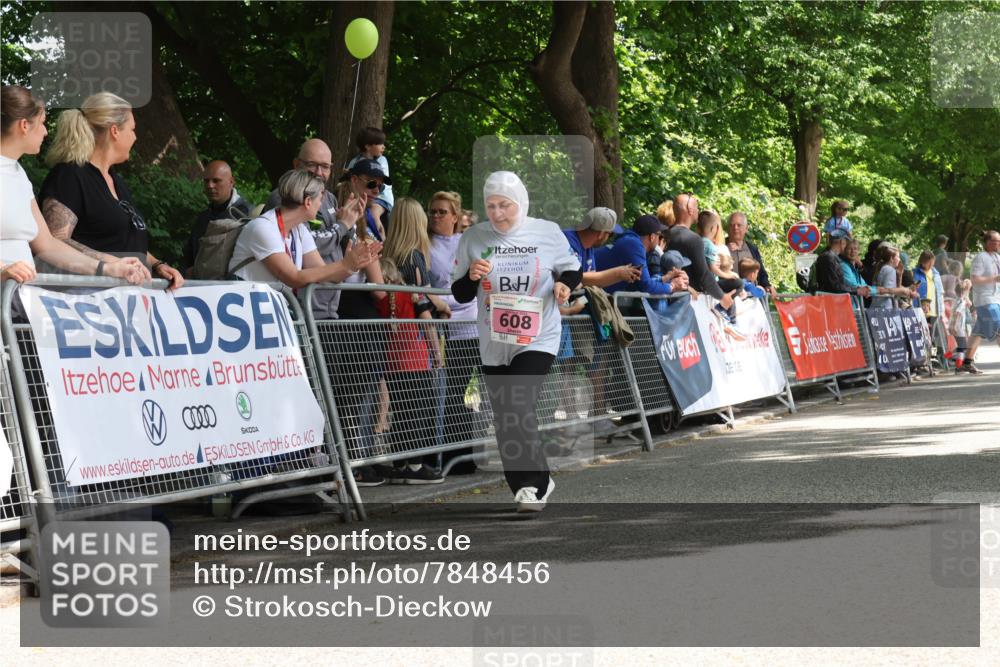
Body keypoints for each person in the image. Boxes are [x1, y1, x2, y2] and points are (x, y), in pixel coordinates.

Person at [451, 171, 582, 512]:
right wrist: (471, 276)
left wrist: (563, 285)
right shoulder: (474, 238)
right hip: (495, 340)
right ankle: (524, 483)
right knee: (504, 415)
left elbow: (572, 269)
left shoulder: (547, 232)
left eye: (505, 206)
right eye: (491, 206)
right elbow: (460, 293)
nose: (498, 214)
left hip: (539, 335)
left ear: (520, 202)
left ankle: (533, 486)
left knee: (518, 405)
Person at [1, 85, 148, 285]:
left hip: (16, 301)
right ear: (24, 125)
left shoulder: (19, 174)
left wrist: (107, 268)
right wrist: (2, 268)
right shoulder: (69, 175)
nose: (45, 132)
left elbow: (48, 245)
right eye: (42, 123)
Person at [39, 91, 183, 289]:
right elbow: (56, 240)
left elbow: (124, 240)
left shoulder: (116, 181)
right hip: (87, 299)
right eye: (132, 129)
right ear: (115, 131)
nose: (135, 137)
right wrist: (108, 264)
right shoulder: (70, 175)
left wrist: (157, 264)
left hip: (127, 299)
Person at [378, 197, 449, 484]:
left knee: (400, 405)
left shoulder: (388, 257)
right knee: (419, 405)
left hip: (390, 345)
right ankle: (416, 465)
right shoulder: (414, 259)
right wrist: (442, 309)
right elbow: (423, 306)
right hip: (413, 346)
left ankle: (401, 462)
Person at [228, 169, 376, 286]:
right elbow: (294, 277)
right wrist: (344, 264)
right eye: (320, 197)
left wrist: (352, 265)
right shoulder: (263, 227)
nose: (322, 204)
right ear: (307, 202)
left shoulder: (299, 229)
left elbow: (324, 274)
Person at [374, 257, 442, 484]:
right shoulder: (411, 294)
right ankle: (415, 465)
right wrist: (436, 352)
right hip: (415, 358)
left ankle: (400, 463)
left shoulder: (379, 298)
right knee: (418, 412)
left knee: (401, 412)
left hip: (391, 361)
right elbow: (427, 321)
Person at [428, 191, 481, 472]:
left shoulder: (466, 243)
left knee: (473, 392)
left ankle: (466, 457)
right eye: (433, 211)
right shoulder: (425, 245)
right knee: (448, 393)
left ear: (456, 216)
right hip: (441, 324)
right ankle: (450, 458)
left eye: (442, 212)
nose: (436, 216)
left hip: (471, 324)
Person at [182, 160, 253, 275]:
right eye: (206, 181)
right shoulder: (203, 218)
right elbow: (189, 255)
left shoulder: (247, 216)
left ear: (231, 182)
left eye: (216, 181)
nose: (210, 186)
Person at [595, 215, 688, 300]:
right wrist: (672, 286)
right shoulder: (634, 245)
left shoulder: (630, 240)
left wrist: (665, 278)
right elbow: (646, 286)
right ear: (652, 237)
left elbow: (640, 283)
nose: (659, 239)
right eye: (659, 235)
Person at [667, 194, 734, 310]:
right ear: (690, 210)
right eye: (697, 207)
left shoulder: (664, 235)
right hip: (691, 304)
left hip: (669, 301)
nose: (698, 210)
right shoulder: (693, 239)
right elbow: (704, 274)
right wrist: (722, 297)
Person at [564, 207, 640, 287]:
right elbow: (572, 276)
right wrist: (618, 273)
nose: (608, 238)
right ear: (601, 234)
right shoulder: (567, 240)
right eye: (610, 234)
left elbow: (590, 280)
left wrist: (620, 275)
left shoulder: (589, 246)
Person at [962, 230, 1000, 375]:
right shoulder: (980, 258)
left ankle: (966, 363)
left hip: (995, 299)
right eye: (997, 241)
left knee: (978, 332)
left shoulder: (996, 257)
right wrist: (994, 279)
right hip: (985, 300)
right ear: (988, 243)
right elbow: (974, 279)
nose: (999, 243)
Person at [346, 126, 394, 223]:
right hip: (362, 197)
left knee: (373, 214)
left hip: (381, 199)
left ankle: (381, 236)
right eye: (380, 144)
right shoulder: (355, 161)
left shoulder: (382, 160)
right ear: (368, 146)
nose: (383, 146)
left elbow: (382, 183)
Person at [338, 158, 391, 242]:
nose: (376, 191)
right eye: (372, 184)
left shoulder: (368, 212)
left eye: (380, 187)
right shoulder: (337, 206)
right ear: (354, 180)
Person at [726, 211, 774, 296]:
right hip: (729, 298)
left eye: (739, 225)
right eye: (732, 225)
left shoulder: (752, 249)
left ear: (746, 228)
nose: (735, 228)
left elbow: (761, 272)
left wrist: (767, 285)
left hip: (751, 299)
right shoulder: (720, 247)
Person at [813, 230, 871, 297]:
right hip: (829, 301)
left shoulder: (829, 256)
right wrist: (857, 290)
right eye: (847, 243)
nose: (846, 247)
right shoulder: (829, 258)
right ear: (842, 242)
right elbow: (835, 286)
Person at [870, 244, 917, 309]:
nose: (899, 260)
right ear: (891, 258)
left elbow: (892, 288)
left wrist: (899, 276)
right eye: (898, 257)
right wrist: (905, 291)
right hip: (885, 307)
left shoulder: (881, 267)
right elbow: (888, 290)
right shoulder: (890, 270)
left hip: (877, 305)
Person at [913, 250, 945, 325]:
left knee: (932, 335)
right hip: (919, 310)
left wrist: (941, 309)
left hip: (934, 311)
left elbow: (941, 292)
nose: (931, 265)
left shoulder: (936, 274)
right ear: (922, 262)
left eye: (932, 262)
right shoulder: (914, 273)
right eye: (929, 262)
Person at [950, 279, 974, 373]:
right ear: (964, 291)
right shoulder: (961, 302)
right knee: (962, 347)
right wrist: (955, 326)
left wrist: (966, 296)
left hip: (956, 326)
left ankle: (947, 356)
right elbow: (957, 313)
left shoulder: (958, 299)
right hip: (958, 327)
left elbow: (970, 303)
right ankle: (958, 366)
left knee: (961, 346)